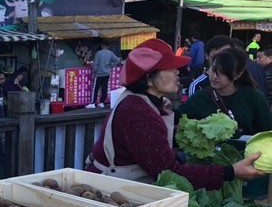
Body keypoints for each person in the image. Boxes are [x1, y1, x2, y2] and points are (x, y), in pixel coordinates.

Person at [85, 38, 264, 191]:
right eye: (170, 69)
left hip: (121, 185)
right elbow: (170, 173)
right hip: (114, 191)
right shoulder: (138, 112)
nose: (177, 73)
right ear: (149, 78)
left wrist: (199, 134)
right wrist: (231, 171)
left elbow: (153, 144)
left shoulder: (145, 103)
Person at [177, 48, 272, 137]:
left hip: (247, 152)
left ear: (238, 74)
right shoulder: (200, 97)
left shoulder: (254, 97)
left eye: (223, 72)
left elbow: (267, 132)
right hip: (209, 153)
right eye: (213, 70)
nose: (215, 76)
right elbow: (176, 118)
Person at [85, 41, 120, 108]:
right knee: (105, 88)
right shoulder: (110, 53)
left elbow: (95, 65)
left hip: (98, 74)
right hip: (106, 73)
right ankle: (102, 102)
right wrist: (111, 66)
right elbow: (117, 60)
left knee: (96, 88)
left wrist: (93, 73)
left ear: (102, 45)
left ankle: (93, 103)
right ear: (108, 46)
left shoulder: (98, 53)